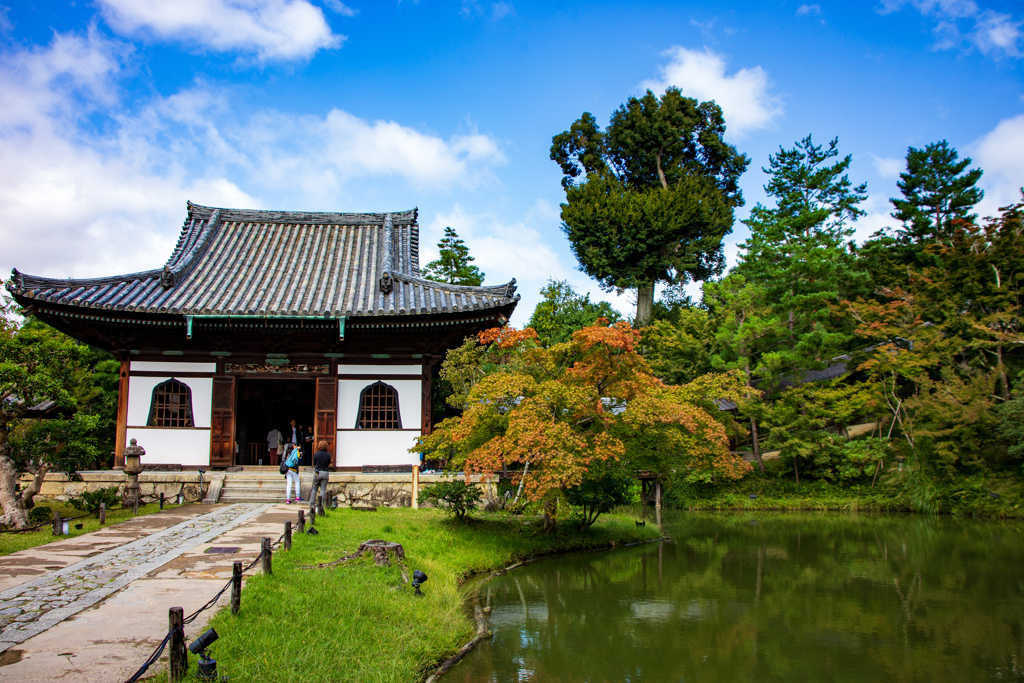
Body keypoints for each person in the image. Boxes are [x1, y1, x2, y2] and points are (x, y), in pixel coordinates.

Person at [310, 440, 331, 513]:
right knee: (323, 489)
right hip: (325, 472)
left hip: (317, 472)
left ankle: (311, 504)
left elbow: (314, 463)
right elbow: (328, 463)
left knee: (314, 488)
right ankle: (320, 504)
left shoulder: (316, 454)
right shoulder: (328, 455)